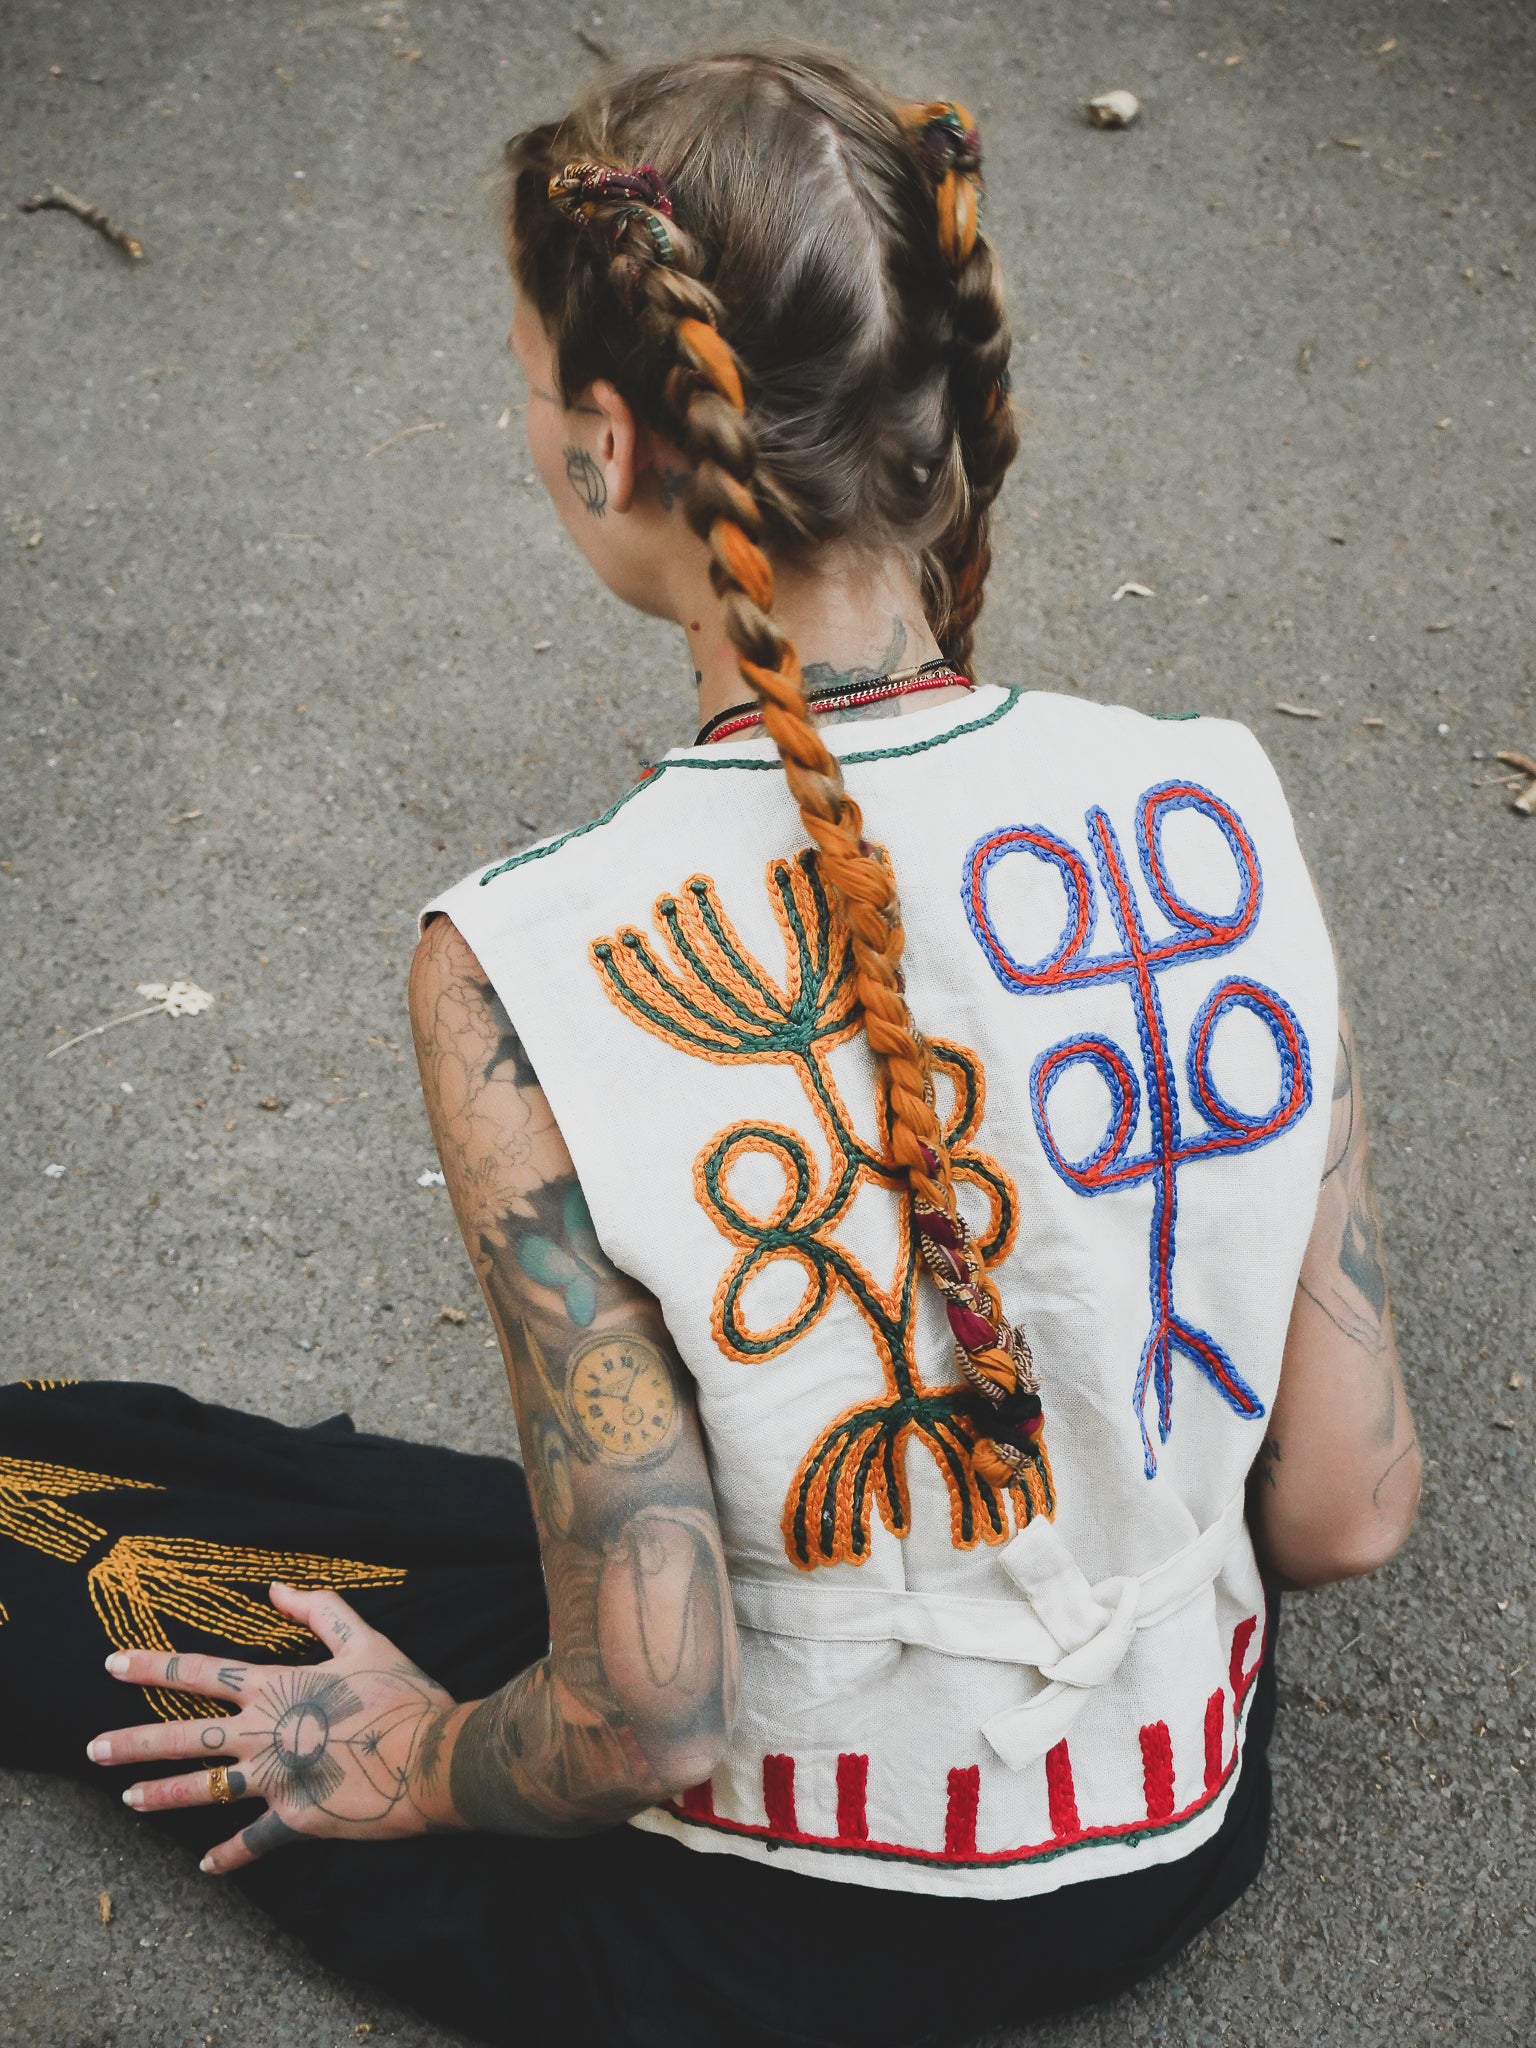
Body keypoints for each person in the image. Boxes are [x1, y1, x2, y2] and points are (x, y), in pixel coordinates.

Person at [0, 48, 1420, 2048]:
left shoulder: (523, 953)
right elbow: (1347, 1511)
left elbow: (647, 1720)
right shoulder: (1218, 801)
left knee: (83, 1545)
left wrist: (412, 1760)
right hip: (1183, 1820)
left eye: (527, 388)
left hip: (777, 1926)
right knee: (352, 1511)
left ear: (613, 446)